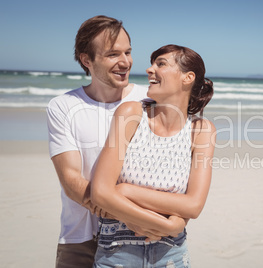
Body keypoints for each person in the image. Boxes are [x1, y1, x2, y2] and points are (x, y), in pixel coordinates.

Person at [46, 16, 186, 268]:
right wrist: (133, 218)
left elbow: (176, 172)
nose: (125, 62)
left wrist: (165, 222)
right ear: (86, 60)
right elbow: (71, 181)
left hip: (144, 239)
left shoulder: (151, 99)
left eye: (128, 52)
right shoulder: (63, 106)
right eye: (112, 54)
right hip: (81, 237)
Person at [91, 44, 216, 267]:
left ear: (187, 78)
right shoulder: (131, 114)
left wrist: (125, 191)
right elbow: (100, 192)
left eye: (161, 64)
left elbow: (194, 205)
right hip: (116, 254)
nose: (149, 70)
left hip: (172, 256)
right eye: (151, 64)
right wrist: (169, 225)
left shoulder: (201, 130)